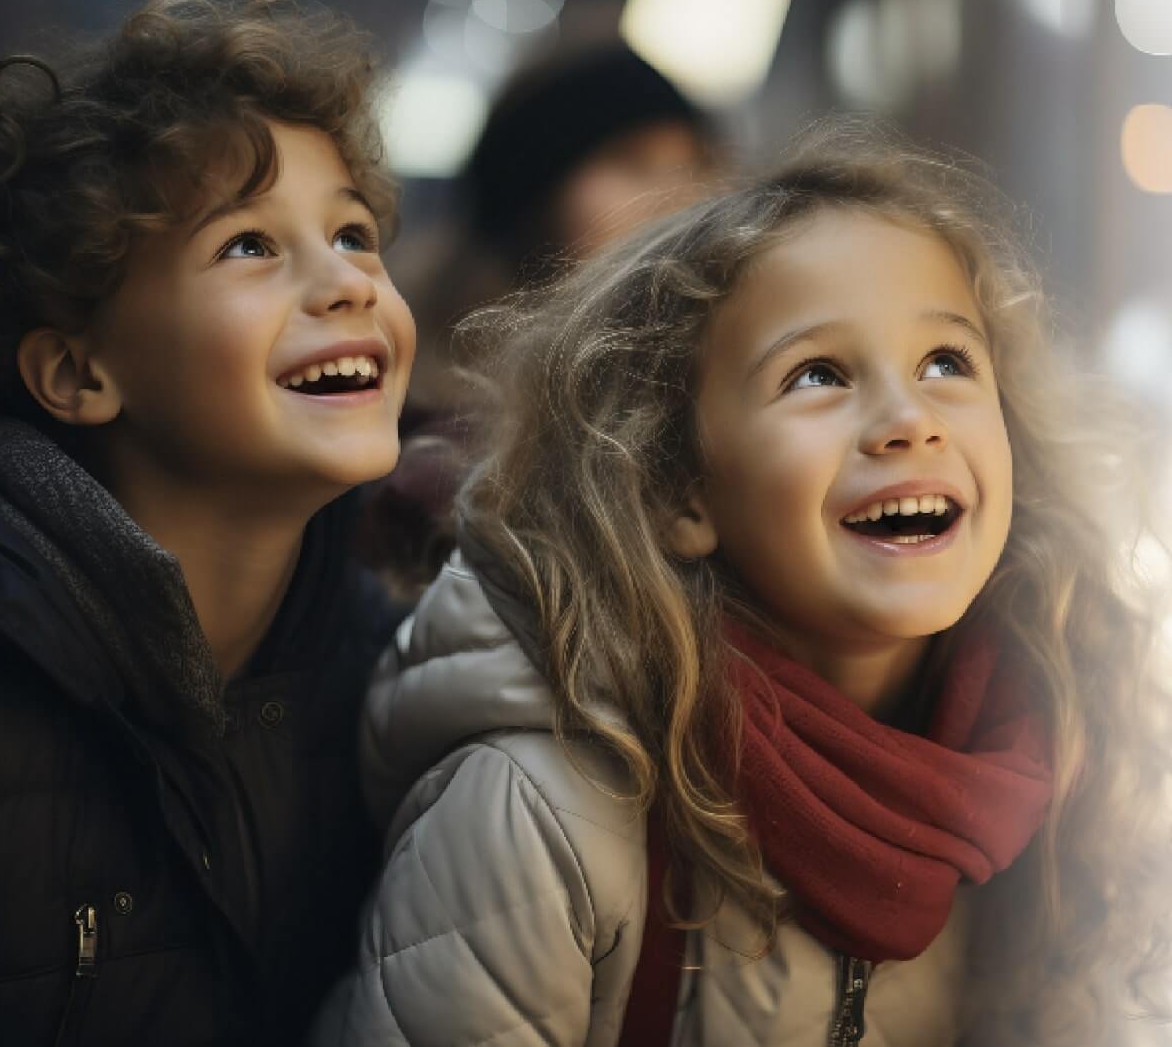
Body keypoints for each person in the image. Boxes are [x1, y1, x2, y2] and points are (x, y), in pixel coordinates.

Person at [317, 126, 1172, 1046]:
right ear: (680, 488)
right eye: (818, 374)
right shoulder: (539, 817)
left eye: (946, 364)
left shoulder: (1073, 756)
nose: (907, 420)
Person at [0, 0, 414, 1044]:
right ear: (77, 374)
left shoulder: (396, 677)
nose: (346, 283)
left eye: (353, 234)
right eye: (248, 245)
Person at [361, 42, 722, 601]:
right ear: (534, 196)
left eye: (695, 163)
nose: (680, 197)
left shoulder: (721, 375)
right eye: (634, 163)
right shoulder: (418, 435)